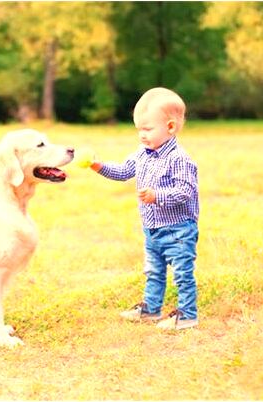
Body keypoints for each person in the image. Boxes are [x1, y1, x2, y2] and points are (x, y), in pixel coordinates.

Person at [84, 87, 199, 330]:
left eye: (147, 129)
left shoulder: (180, 159)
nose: (142, 135)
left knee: (182, 274)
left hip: (178, 230)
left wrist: (157, 196)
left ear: (170, 127)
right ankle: (151, 309)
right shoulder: (143, 154)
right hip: (152, 229)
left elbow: (185, 191)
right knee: (153, 271)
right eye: (139, 129)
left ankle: (187, 315)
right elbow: (124, 171)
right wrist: (98, 165)